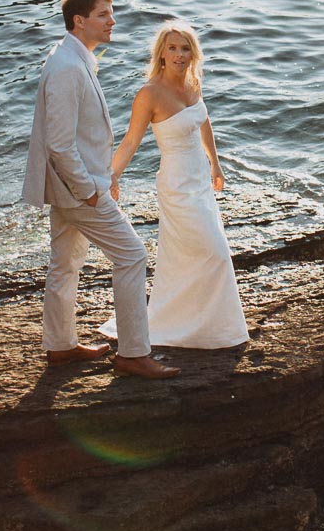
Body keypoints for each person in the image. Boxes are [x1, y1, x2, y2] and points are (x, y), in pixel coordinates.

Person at [22, 0, 177, 380]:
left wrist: (104, 178)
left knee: (65, 264)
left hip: (75, 186)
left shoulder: (73, 58)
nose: (112, 21)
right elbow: (59, 144)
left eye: (112, 14)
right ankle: (133, 353)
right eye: (104, 15)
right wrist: (90, 190)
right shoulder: (67, 67)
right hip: (78, 190)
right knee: (132, 255)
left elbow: (78, 137)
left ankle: (60, 346)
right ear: (79, 20)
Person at [106, 20, 248, 349]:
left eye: (185, 48)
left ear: (193, 53)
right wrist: (112, 175)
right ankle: (194, 328)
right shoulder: (149, 94)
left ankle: (207, 326)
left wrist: (216, 163)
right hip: (176, 185)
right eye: (172, 48)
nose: (179, 55)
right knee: (215, 252)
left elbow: (204, 121)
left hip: (200, 179)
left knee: (191, 255)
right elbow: (130, 141)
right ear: (161, 54)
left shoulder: (193, 83)